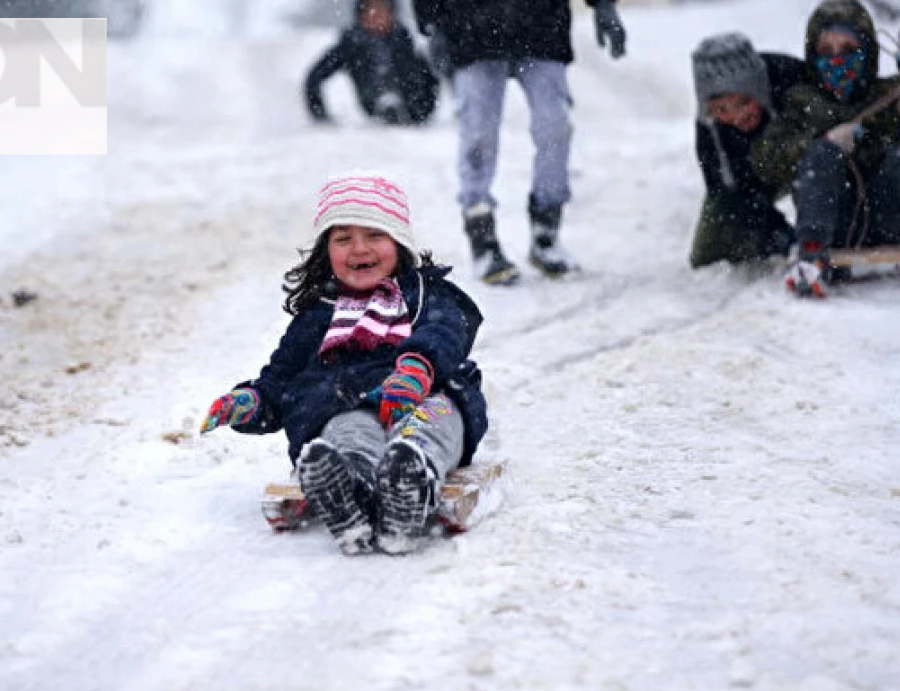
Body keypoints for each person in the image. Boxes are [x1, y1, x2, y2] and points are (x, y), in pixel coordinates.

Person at [199, 174, 489, 556]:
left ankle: (410, 483)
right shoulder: (317, 315)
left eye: (374, 235)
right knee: (348, 433)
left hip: (423, 397)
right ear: (326, 251)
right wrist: (252, 401)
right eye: (343, 239)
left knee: (429, 426)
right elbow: (282, 378)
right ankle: (348, 490)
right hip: (348, 405)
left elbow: (444, 331)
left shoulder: (424, 295)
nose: (359, 249)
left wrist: (417, 369)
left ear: (399, 243)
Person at [750, 0, 900, 299]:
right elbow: (766, 161)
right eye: (826, 51)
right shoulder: (801, 103)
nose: (836, 60)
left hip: (888, 217)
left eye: (847, 49)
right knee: (821, 155)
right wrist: (823, 144)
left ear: (867, 51)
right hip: (833, 223)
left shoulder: (890, 96)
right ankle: (811, 258)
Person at [414, 0, 628, 285]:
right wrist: (432, 22)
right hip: (470, 30)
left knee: (555, 127)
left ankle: (546, 231)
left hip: (542, 26)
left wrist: (604, 5)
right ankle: (482, 237)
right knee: (478, 135)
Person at [689, 33, 806, 269]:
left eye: (744, 102)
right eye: (722, 109)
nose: (737, 117)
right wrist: (779, 236)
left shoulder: (793, 80)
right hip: (753, 176)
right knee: (708, 254)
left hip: (805, 161)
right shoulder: (710, 131)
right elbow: (729, 194)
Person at [304, 0, 440, 126]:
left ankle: (396, 104)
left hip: (412, 107)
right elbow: (315, 77)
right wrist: (320, 116)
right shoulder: (352, 44)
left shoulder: (403, 39)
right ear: (360, 15)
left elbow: (429, 77)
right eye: (371, 10)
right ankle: (387, 102)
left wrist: (424, 110)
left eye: (382, 10)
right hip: (372, 99)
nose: (376, 16)